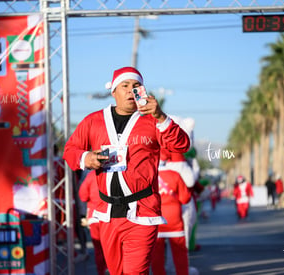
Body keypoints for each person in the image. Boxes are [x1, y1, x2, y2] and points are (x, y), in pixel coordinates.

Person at [63, 66, 190, 275]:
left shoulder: (152, 121)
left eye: (136, 85)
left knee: (135, 272)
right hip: (107, 213)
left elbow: (182, 145)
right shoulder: (93, 121)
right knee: (116, 272)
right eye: (125, 86)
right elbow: (70, 151)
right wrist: (87, 158)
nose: (131, 90)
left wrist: (161, 117)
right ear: (114, 91)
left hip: (142, 211)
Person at [151, 152, 192, 275]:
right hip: (174, 220)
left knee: (156, 257)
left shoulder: (149, 175)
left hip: (156, 220)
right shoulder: (175, 175)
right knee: (180, 255)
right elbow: (185, 198)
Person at [78, 170, 108, 275]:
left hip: (95, 217)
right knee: (114, 248)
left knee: (99, 249)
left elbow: (83, 195)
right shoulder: (118, 171)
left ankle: (102, 272)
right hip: (113, 217)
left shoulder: (91, 175)